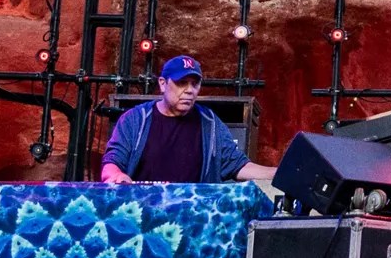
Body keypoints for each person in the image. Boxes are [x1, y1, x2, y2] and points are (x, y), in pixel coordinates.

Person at [99, 56, 277, 186]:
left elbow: (236, 165)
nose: (190, 90)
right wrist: (117, 176)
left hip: (191, 216)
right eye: (182, 83)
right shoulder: (135, 120)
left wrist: (277, 174)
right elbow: (112, 163)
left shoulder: (210, 123)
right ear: (162, 84)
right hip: (142, 211)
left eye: (195, 84)